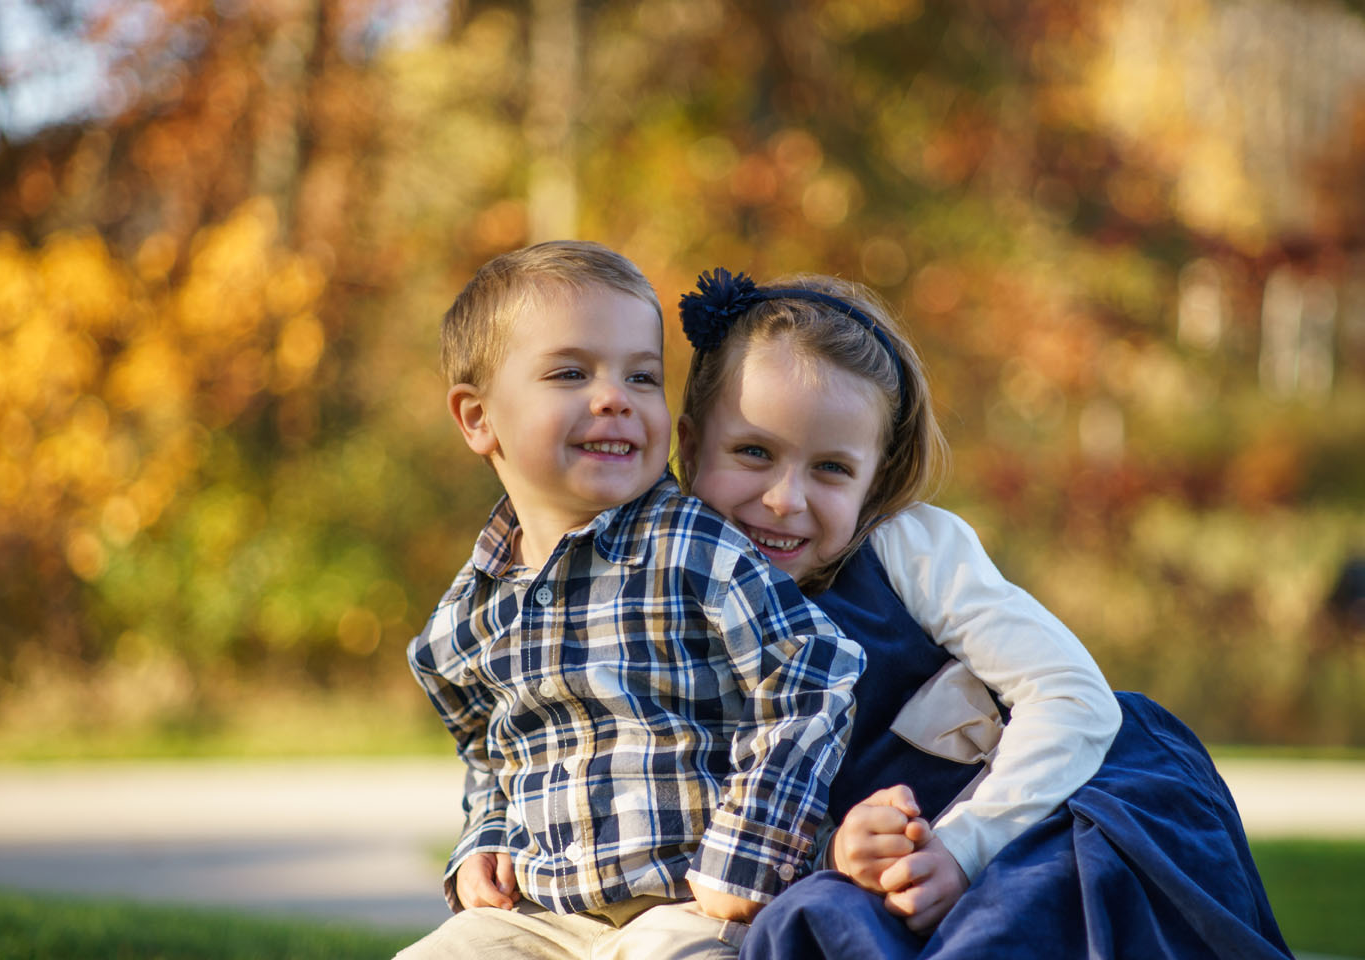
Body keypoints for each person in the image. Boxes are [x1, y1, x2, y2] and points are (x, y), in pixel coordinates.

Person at [673, 268, 1294, 959]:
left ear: (875, 479)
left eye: (831, 469)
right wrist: (843, 848)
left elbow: (1071, 696)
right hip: (892, 863)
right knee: (818, 923)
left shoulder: (905, 548)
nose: (785, 499)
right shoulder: (655, 600)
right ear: (692, 447)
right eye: (754, 453)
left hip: (1038, 802)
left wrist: (963, 847)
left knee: (1016, 924)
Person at [397, 243, 866, 960]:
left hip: (693, 898)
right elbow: (490, 752)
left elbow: (813, 668)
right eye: (570, 373)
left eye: (642, 376)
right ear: (478, 418)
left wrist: (750, 848)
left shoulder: (690, 546)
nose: (615, 396)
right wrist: (484, 838)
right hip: (546, 912)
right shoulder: (467, 615)